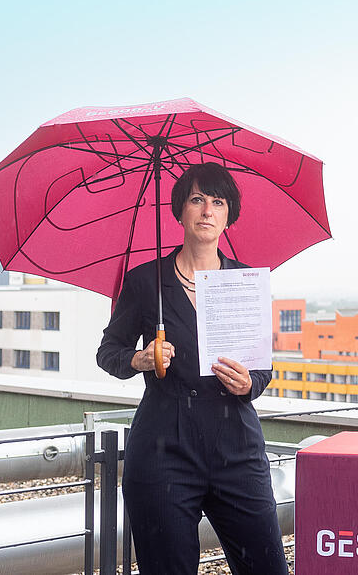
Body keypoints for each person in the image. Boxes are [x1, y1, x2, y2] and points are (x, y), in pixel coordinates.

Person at [97, 162, 287, 574]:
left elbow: (263, 368)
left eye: (217, 202)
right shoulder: (146, 281)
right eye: (197, 200)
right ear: (180, 210)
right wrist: (139, 359)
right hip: (164, 447)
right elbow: (108, 352)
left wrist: (248, 384)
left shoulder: (246, 281)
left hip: (236, 444)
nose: (206, 211)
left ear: (228, 215)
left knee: (267, 566)